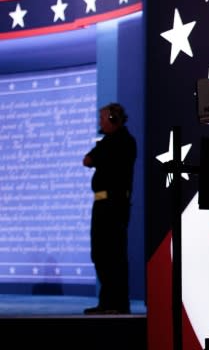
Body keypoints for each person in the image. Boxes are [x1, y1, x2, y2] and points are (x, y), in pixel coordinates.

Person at [82, 102, 137, 315]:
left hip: (114, 205)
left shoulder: (123, 141)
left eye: (103, 119)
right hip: (102, 204)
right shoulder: (107, 142)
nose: (100, 123)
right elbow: (87, 160)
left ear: (114, 119)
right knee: (100, 253)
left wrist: (99, 157)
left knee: (114, 254)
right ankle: (107, 301)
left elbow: (91, 159)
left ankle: (118, 303)